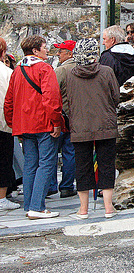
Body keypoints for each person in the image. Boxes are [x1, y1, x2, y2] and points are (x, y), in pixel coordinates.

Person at [4, 35, 64, 219]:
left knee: (30, 165)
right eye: (45, 47)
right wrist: (56, 122)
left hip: (24, 125)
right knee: (46, 164)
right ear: (36, 50)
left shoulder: (17, 71)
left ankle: (29, 205)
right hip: (44, 123)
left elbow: (9, 102)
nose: (47, 50)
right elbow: (52, 98)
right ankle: (37, 207)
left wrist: (13, 124)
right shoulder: (44, 69)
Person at [65, 38, 120, 219]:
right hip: (106, 125)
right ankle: (108, 208)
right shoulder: (106, 71)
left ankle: (83, 209)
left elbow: (66, 101)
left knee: (82, 166)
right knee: (106, 165)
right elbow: (116, 96)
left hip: (80, 126)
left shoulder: (70, 75)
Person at [49, 40, 77, 198]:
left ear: (70, 53)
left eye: (61, 51)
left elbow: (52, 93)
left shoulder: (60, 71)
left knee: (52, 152)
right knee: (70, 153)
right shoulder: (79, 68)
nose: (58, 54)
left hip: (60, 118)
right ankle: (67, 186)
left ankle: (52, 185)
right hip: (75, 118)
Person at [0, 37, 19, 211]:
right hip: (3, 124)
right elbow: (12, 99)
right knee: (4, 160)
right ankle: (1, 197)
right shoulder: (6, 73)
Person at [100, 25, 134, 90]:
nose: (103, 43)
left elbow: (103, 83)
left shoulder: (108, 57)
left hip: (114, 98)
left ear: (113, 40)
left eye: (104, 39)